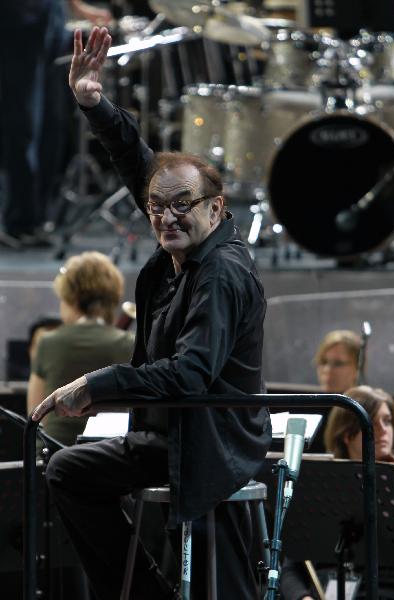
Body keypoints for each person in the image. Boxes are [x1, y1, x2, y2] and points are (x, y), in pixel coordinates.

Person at [31, 26, 272, 600]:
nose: (164, 217)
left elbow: (191, 374)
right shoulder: (191, 237)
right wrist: (94, 102)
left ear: (216, 209)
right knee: (66, 468)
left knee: (68, 471)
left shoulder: (221, 273)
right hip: (176, 434)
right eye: (156, 208)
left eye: (180, 207)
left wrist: (99, 382)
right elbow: (141, 166)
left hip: (208, 443)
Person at [280, 385, 394, 600]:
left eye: (387, 421)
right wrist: (302, 597)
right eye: (372, 423)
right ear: (346, 434)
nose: (383, 430)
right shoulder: (322, 484)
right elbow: (291, 566)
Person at [0, 0, 111, 248]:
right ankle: (20, 221)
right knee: (23, 124)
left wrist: (75, 6)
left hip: (49, 13)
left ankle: (38, 218)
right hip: (18, 15)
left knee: (53, 124)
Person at [28, 251, 134, 446]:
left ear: (70, 298)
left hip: (52, 454)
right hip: (110, 455)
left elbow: (35, 413)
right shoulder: (130, 342)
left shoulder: (47, 342)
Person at [314, 329, 361, 394]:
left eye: (338, 363)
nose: (327, 370)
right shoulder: (307, 402)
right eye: (323, 362)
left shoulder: (364, 403)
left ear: (357, 368)